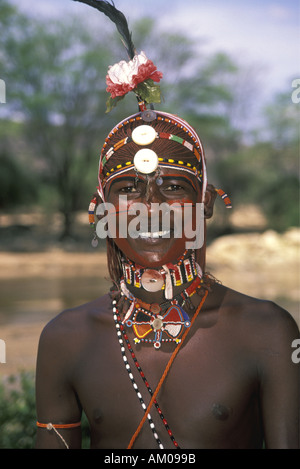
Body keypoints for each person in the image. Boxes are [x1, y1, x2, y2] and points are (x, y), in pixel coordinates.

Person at [35, 1, 299, 450]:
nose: (151, 206)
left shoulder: (267, 331)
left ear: (206, 203)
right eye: (129, 190)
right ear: (100, 211)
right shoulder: (66, 338)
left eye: (174, 187)